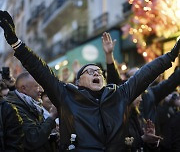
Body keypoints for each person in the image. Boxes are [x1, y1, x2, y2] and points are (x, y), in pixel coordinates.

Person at [0, 11, 180, 151]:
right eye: (90, 71)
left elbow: (146, 73)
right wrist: (16, 43)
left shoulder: (119, 95)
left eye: (99, 71)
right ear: (79, 81)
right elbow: (40, 70)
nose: (97, 73)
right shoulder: (66, 96)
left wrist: (172, 55)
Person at [5, 72, 58, 152]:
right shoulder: (14, 108)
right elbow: (32, 139)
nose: (41, 90)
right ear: (23, 88)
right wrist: (52, 117)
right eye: (37, 86)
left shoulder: (32, 104)